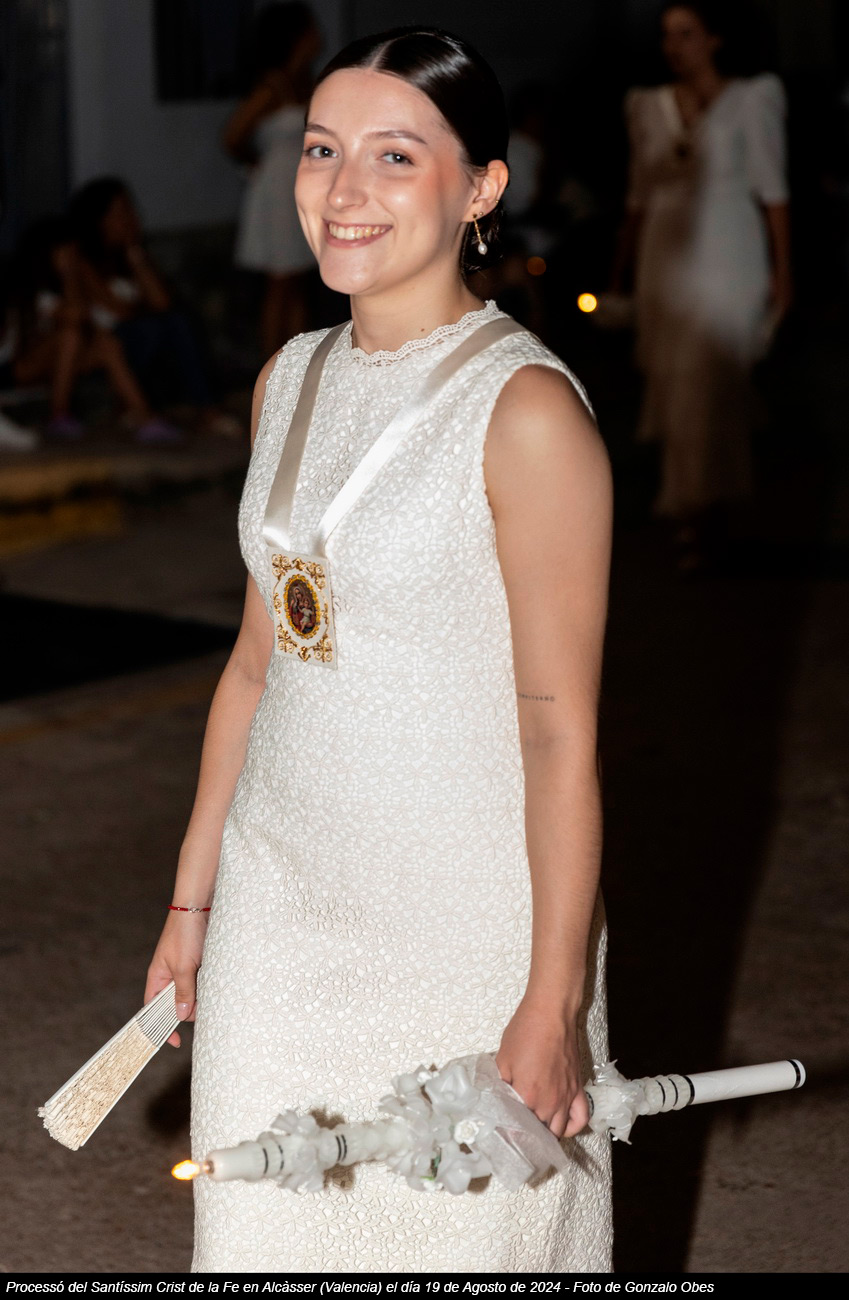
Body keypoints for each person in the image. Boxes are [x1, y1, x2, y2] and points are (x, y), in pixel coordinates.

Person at [146, 27, 612, 1272]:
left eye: (395, 156)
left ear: (481, 188)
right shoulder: (287, 378)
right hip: (281, 908)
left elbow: (559, 732)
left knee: (456, 1241)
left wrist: (553, 998)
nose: (343, 190)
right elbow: (258, 664)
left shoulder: (526, 412)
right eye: (321, 150)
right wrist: (194, 900)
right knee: (266, 1231)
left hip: (459, 919)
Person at [613, 1, 791, 570]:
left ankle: (705, 515)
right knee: (675, 382)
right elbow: (637, 195)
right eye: (667, 35)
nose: (674, 46)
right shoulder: (647, 105)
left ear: (715, 38)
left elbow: (773, 190)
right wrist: (619, 272)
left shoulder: (753, 99)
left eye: (687, 33)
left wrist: (784, 273)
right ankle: (694, 512)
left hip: (731, 252)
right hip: (666, 256)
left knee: (712, 380)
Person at [68, 178, 241, 440]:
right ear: (99, 220)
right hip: (106, 350)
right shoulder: (83, 261)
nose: (130, 218)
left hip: (145, 344)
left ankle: (208, 409)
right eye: (120, 212)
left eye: (130, 210)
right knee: (159, 327)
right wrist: (146, 309)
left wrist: (135, 255)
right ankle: (158, 410)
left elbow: (162, 303)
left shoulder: (132, 256)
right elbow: (119, 311)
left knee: (179, 322)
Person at [5, 217, 170, 443]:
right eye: (68, 253)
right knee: (70, 334)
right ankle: (58, 415)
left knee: (107, 345)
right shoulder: (38, 295)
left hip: (58, 365)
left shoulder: (62, 289)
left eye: (76, 254)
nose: (74, 259)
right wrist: (71, 276)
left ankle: (145, 417)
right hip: (20, 369)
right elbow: (77, 314)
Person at [224, 2, 321, 355]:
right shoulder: (272, 87)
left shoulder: (305, 81)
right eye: (311, 29)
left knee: (298, 279)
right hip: (276, 189)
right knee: (280, 279)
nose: (318, 35)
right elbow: (232, 136)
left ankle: (299, 362)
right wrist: (255, 164)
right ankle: (270, 366)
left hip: (302, 185)